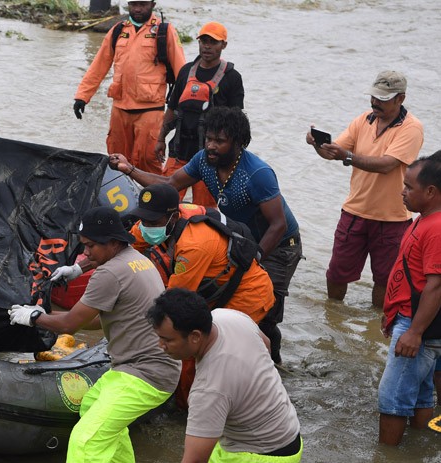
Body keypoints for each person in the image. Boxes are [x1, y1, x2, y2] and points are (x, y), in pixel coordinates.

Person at [52, 184, 274, 410]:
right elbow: (115, 247)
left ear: (173, 217)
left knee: (193, 350)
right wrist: (79, 268)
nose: (146, 227)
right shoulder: (151, 222)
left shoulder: (194, 245)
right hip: (209, 287)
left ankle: (189, 414)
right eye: (144, 220)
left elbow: (172, 305)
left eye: (153, 223)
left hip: (246, 293)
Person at [109, 106, 301, 365]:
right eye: (209, 138)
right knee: (224, 303)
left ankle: (272, 366)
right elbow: (169, 186)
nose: (211, 146)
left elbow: (277, 224)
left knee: (265, 314)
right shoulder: (204, 161)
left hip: (278, 245)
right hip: (240, 239)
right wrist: (129, 169)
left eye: (220, 141)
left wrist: (252, 260)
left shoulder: (257, 174)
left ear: (239, 143)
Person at [9, 206, 180, 463]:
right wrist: (78, 270)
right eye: (83, 246)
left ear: (112, 242)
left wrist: (33, 317)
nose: (85, 253)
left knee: (85, 441)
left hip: (146, 373)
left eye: (90, 246)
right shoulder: (137, 259)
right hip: (147, 366)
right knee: (92, 408)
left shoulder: (109, 274)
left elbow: (69, 325)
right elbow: (90, 322)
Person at [306, 70, 423, 307]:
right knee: (336, 273)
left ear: (400, 98)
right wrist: (318, 146)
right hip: (354, 212)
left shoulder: (411, 128)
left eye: (383, 98)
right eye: (373, 96)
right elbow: (334, 152)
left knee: (385, 279)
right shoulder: (363, 120)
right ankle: (334, 316)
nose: (375, 102)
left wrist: (347, 156)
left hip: (392, 218)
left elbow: (387, 165)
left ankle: (377, 324)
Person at [148, 288, 302, 462]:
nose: (160, 345)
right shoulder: (228, 316)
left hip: (263, 455)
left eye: (167, 340)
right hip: (290, 430)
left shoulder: (208, 390)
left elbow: (194, 460)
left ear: (195, 337)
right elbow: (266, 343)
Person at [72, 0, 185, 175]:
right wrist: (82, 96)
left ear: (153, 5)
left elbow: (181, 72)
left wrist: (185, 108)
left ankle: (152, 200)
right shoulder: (118, 31)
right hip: (119, 108)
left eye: (143, 4)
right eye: (133, 4)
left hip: (150, 109)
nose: (138, 8)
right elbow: (99, 65)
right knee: (116, 161)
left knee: (148, 160)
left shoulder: (164, 32)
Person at [377, 156, 441, 446]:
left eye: (408, 187)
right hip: (409, 317)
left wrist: (414, 331)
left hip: (419, 325)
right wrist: (391, 311)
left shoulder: (436, 228)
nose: (402, 191)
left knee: (392, 398)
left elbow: (436, 286)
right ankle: (417, 449)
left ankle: (387, 454)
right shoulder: (424, 219)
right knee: (421, 392)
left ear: (430, 192)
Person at [156, 21, 244, 207]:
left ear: (224, 45)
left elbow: (237, 124)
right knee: (162, 202)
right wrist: (160, 139)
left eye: (213, 42)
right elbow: (172, 109)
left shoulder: (232, 78)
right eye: (204, 41)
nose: (207, 46)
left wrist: (233, 158)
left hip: (211, 157)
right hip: (179, 152)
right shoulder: (186, 71)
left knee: (206, 212)